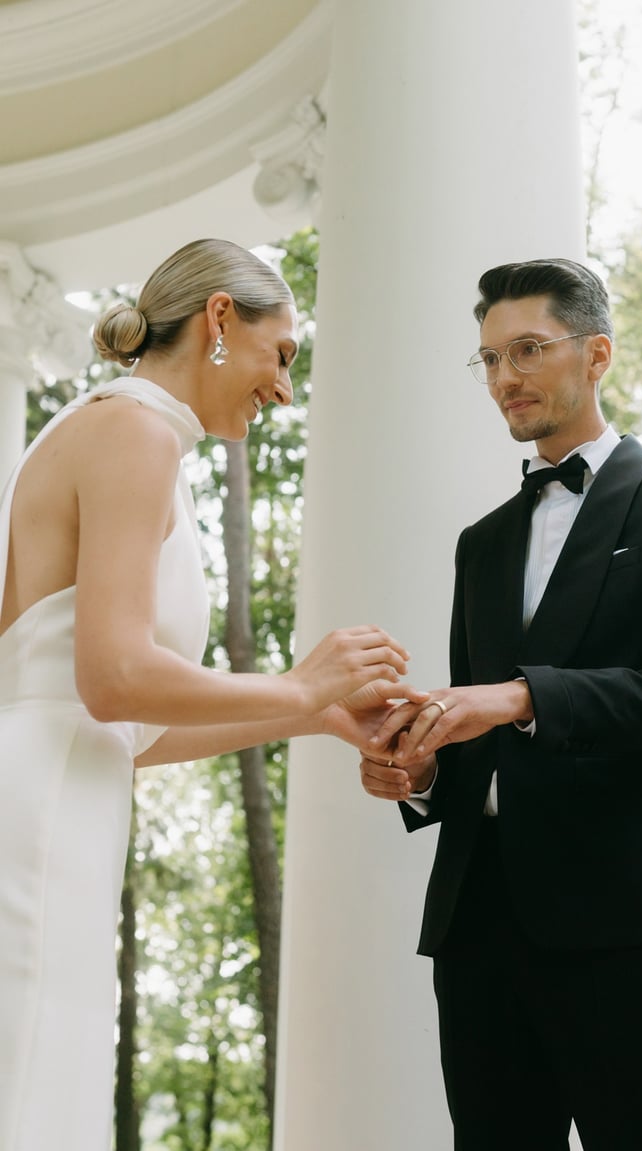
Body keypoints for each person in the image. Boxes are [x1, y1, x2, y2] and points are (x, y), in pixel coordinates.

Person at [0, 238, 423, 1151]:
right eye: (284, 354)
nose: (285, 389)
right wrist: (297, 679)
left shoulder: (121, 430)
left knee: (41, 1066)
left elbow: (131, 728)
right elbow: (113, 680)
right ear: (220, 318)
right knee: (30, 1076)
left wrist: (314, 713)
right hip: (46, 810)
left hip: (67, 787)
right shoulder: (134, 432)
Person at [359, 258, 642, 1150]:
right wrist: (419, 771)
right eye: (491, 358)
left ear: (597, 353)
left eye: (529, 349)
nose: (506, 377)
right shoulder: (481, 542)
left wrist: (519, 694)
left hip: (625, 918)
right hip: (477, 922)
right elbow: (483, 730)